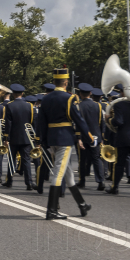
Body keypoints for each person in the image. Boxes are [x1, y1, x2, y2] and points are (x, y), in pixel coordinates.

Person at [35, 68, 95, 219]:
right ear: (66, 82)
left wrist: (41, 141)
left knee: (68, 175)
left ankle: (82, 205)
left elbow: (41, 122)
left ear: (54, 81)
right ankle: (51, 210)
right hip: (64, 139)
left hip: (52, 139)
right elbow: (79, 120)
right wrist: (90, 138)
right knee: (58, 173)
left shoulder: (46, 98)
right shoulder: (69, 98)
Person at [3, 84, 35, 190]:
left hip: (14, 137)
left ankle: (9, 181)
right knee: (26, 160)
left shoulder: (9, 105)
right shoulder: (29, 105)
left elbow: (8, 124)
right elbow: (31, 122)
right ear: (22, 93)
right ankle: (29, 182)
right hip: (26, 137)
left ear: (13, 94)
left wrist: (6, 138)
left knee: (11, 160)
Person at [73, 83, 104, 191]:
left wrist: (79, 138)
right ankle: (100, 181)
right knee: (96, 159)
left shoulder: (78, 106)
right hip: (95, 136)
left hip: (84, 136)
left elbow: (77, 124)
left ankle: (82, 181)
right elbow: (101, 123)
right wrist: (102, 138)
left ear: (80, 94)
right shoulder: (98, 106)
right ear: (90, 93)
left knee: (82, 160)